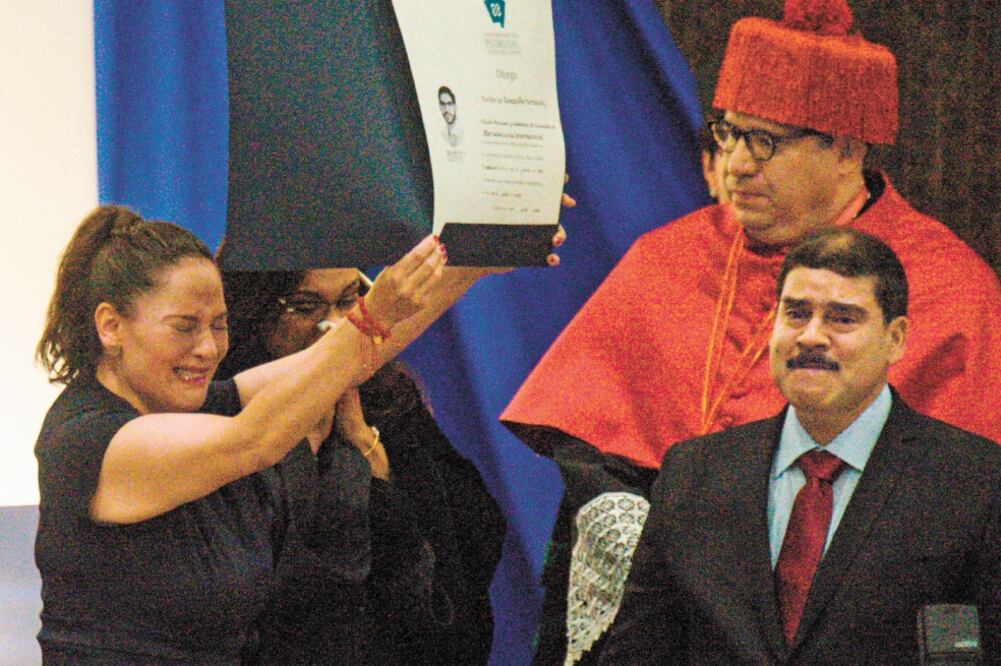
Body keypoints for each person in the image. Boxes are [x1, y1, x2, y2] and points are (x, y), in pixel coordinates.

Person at [500, 0, 1001, 663]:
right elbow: (592, 458)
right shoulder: (666, 258)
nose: (735, 164)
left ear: (844, 146)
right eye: (729, 133)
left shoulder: (949, 288)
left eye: (764, 141)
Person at [31, 204, 484, 662]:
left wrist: (478, 261)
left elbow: (351, 354)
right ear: (111, 326)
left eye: (219, 325)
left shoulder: (207, 404)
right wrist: (372, 312)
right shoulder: (87, 439)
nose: (207, 348)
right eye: (184, 327)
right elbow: (256, 440)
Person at [599, 228, 1001, 663]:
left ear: (896, 339)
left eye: (842, 318)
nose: (810, 336)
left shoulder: (975, 483)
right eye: (795, 313)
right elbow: (638, 651)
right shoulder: (695, 472)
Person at [216, 266, 506, 665]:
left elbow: (463, 554)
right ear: (256, 312)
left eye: (349, 301)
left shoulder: (389, 402)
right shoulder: (219, 418)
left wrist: (372, 461)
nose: (334, 326)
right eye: (304, 306)